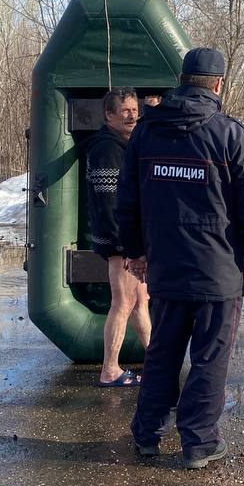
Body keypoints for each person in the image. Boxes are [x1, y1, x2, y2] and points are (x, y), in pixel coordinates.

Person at [117, 47, 244, 469]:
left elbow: (127, 200)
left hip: (166, 267)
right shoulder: (231, 135)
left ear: (182, 79)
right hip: (218, 273)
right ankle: (199, 443)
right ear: (219, 85)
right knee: (209, 359)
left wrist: (134, 252)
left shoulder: (146, 133)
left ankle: (148, 434)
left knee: (162, 352)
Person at [86, 87, 151, 387]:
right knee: (123, 303)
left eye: (135, 109)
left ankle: (155, 362)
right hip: (120, 243)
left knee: (140, 301)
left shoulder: (124, 143)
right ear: (109, 114)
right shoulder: (106, 149)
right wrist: (127, 248)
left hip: (129, 241)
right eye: (125, 110)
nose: (132, 114)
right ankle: (110, 369)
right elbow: (110, 203)